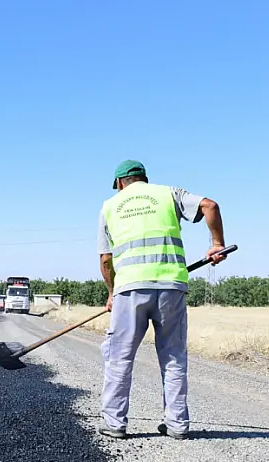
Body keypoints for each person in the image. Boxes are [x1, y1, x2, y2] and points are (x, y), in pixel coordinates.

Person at [96, 159, 227, 441]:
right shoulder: (168, 193)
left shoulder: (109, 206)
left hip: (130, 289)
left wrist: (111, 293)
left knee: (119, 357)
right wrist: (216, 244)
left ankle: (115, 423)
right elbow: (210, 206)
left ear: (120, 183)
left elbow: (106, 259)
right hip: (171, 286)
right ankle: (177, 425)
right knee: (173, 356)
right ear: (143, 178)